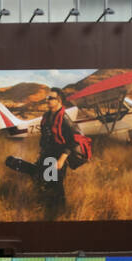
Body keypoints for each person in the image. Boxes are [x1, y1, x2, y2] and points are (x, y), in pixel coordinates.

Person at [36, 88, 81, 219]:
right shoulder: (46, 116)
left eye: (51, 98)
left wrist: (62, 159)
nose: (47, 100)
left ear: (59, 100)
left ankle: (59, 214)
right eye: (47, 98)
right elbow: (44, 137)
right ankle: (48, 210)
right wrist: (40, 153)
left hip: (57, 156)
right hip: (46, 154)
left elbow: (73, 140)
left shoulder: (65, 119)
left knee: (56, 185)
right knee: (46, 181)